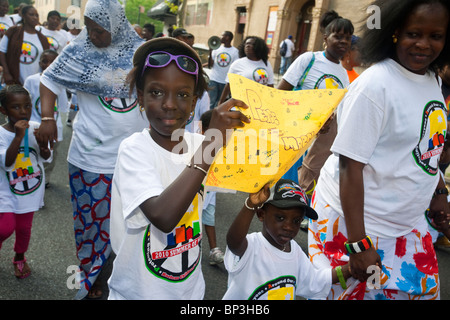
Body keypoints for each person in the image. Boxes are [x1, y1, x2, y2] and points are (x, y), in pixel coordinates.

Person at [308, 0, 450, 300]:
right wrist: (359, 245)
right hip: (356, 226)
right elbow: (349, 167)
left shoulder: (432, 80)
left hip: (409, 225)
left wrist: (439, 194)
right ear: (395, 31)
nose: (424, 44)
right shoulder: (375, 86)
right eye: (414, 33)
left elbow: (425, 148)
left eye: (435, 36)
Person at [107, 37, 250, 300]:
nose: (170, 104)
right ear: (140, 96)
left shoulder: (200, 145)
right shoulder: (134, 149)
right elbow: (163, 216)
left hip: (190, 292)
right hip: (138, 293)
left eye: (183, 95)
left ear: (195, 102)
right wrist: (212, 144)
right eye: (156, 92)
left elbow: (259, 159)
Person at [37, 0, 147, 300]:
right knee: (90, 230)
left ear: (116, 25)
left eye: (99, 30)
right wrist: (47, 118)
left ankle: (120, 284)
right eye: (88, 28)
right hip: (90, 159)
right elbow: (49, 80)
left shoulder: (142, 53)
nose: (92, 35)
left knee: (132, 229)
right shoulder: (79, 50)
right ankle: (90, 284)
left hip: (135, 160)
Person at [223, 179, 352, 300]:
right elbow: (234, 242)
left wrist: (349, 269)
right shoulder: (252, 246)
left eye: (296, 221)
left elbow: (315, 280)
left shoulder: (295, 252)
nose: (289, 227)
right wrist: (250, 205)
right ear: (261, 214)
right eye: (280, 218)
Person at [277, 11, 353, 193]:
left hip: (318, 144)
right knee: (286, 189)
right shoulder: (309, 59)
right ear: (326, 38)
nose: (343, 41)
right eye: (338, 36)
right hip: (294, 136)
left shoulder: (343, 75)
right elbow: (281, 93)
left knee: (306, 188)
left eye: (348, 38)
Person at [0, 85, 51, 279]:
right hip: (5, 189)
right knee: (4, 227)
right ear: (3, 110)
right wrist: (19, 137)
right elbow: (6, 162)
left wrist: (44, 146)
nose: (23, 111)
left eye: (27, 106)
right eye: (16, 107)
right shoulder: (1, 134)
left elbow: (45, 157)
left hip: (29, 190)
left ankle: (19, 257)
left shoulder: (37, 128)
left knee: (23, 229)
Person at [24, 49, 67, 188]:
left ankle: (45, 179)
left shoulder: (60, 82)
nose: (48, 64)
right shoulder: (31, 80)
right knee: (33, 153)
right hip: (34, 126)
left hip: (54, 128)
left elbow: (62, 107)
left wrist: (58, 127)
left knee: (50, 156)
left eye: (52, 62)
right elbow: (26, 102)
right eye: (45, 61)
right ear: (39, 62)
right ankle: (31, 178)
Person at [199, 110, 224, 265]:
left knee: (209, 220)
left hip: (210, 192)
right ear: (203, 130)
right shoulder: (197, 145)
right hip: (195, 193)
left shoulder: (221, 146)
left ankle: (214, 250)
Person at [0, 5, 49, 85]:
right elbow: (1, 52)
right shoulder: (13, 32)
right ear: (23, 16)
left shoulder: (43, 39)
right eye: (31, 14)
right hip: (13, 79)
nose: (35, 17)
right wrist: (6, 72)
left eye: (37, 15)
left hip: (34, 82)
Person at [218, 36, 274, 104]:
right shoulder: (237, 64)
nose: (248, 46)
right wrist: (220, 102)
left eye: (252, 44)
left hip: (260, 104)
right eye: (246, 44)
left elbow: (270, 86)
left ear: (259, 47)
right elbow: (228, 85)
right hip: (241, 105)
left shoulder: (266, 64)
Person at [207, 31, 239, 109]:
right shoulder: (216, 49)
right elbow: (210, 65)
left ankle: (215, 119)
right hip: (214, 79)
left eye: (223, 36)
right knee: (211, 101)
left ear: (228, 37)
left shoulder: (235, 52)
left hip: (225, 82)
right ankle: (208, 119)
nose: (220, 37)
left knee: (219, 103)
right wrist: (210, 51)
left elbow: (235, 68)